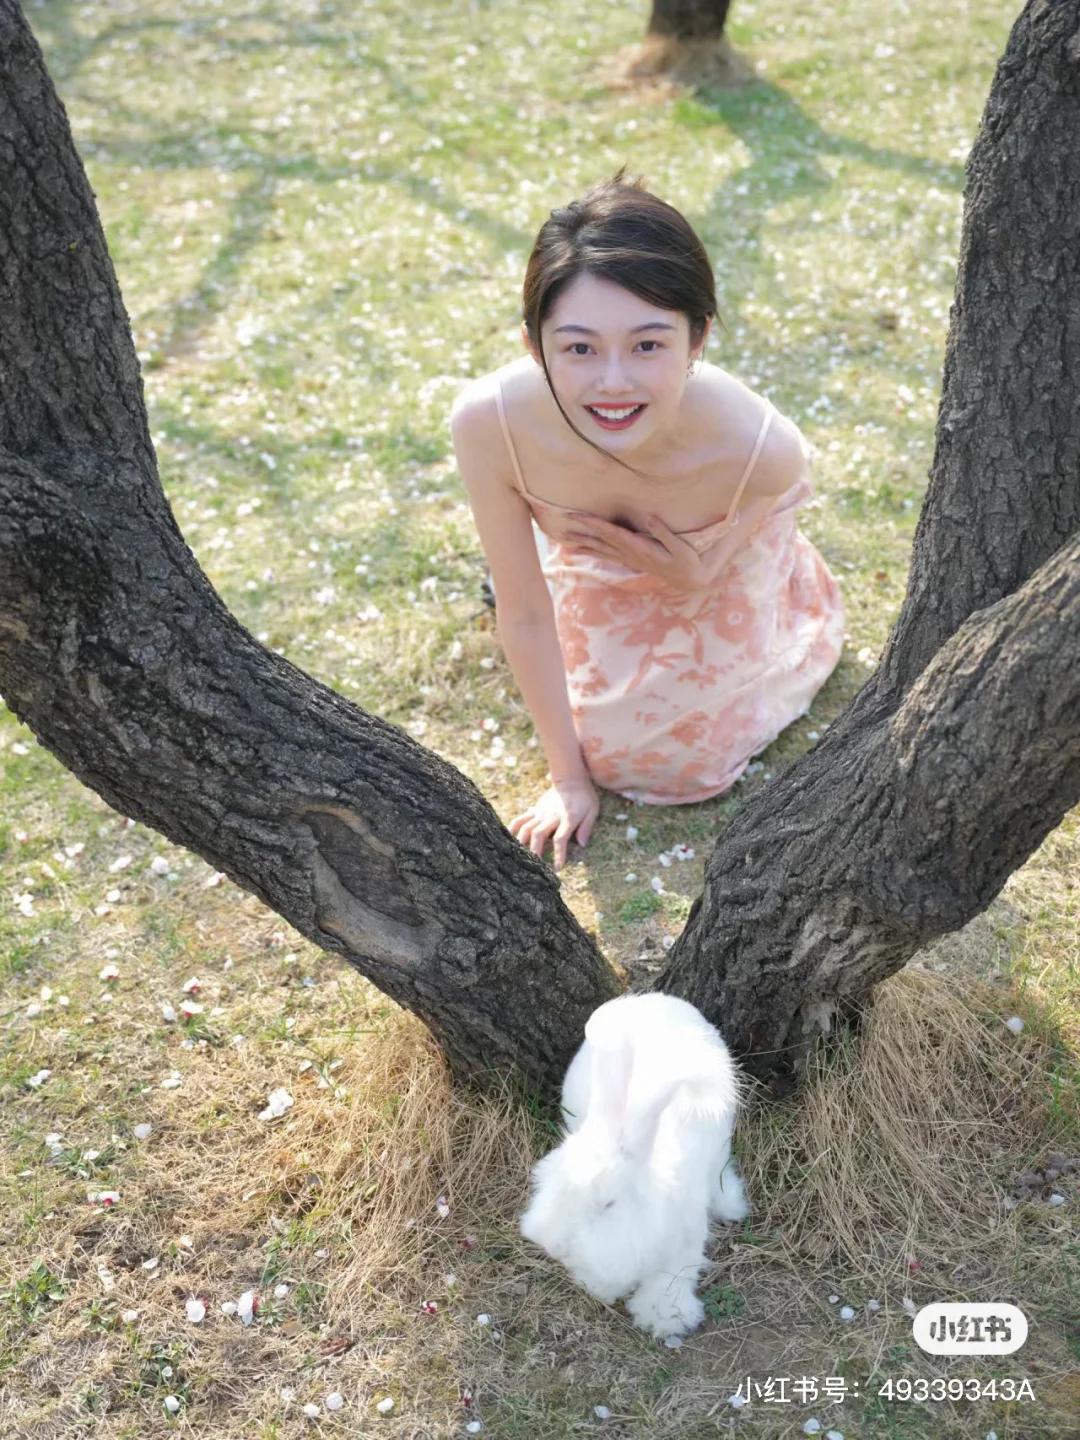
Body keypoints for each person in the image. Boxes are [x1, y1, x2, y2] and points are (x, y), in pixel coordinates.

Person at [450, 169, 845, 871]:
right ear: (532, 346)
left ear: (698, 340)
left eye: (648, 345)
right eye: (578, 347)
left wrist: (706, 567)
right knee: (604, 749)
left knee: (680, 762)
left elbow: (764, 511)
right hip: (583, 555)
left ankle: (792, 615)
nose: (613, 383)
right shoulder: (491, 425)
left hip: (721, 549)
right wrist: (568, 778)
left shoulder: (759, 447)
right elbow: (525, 609)